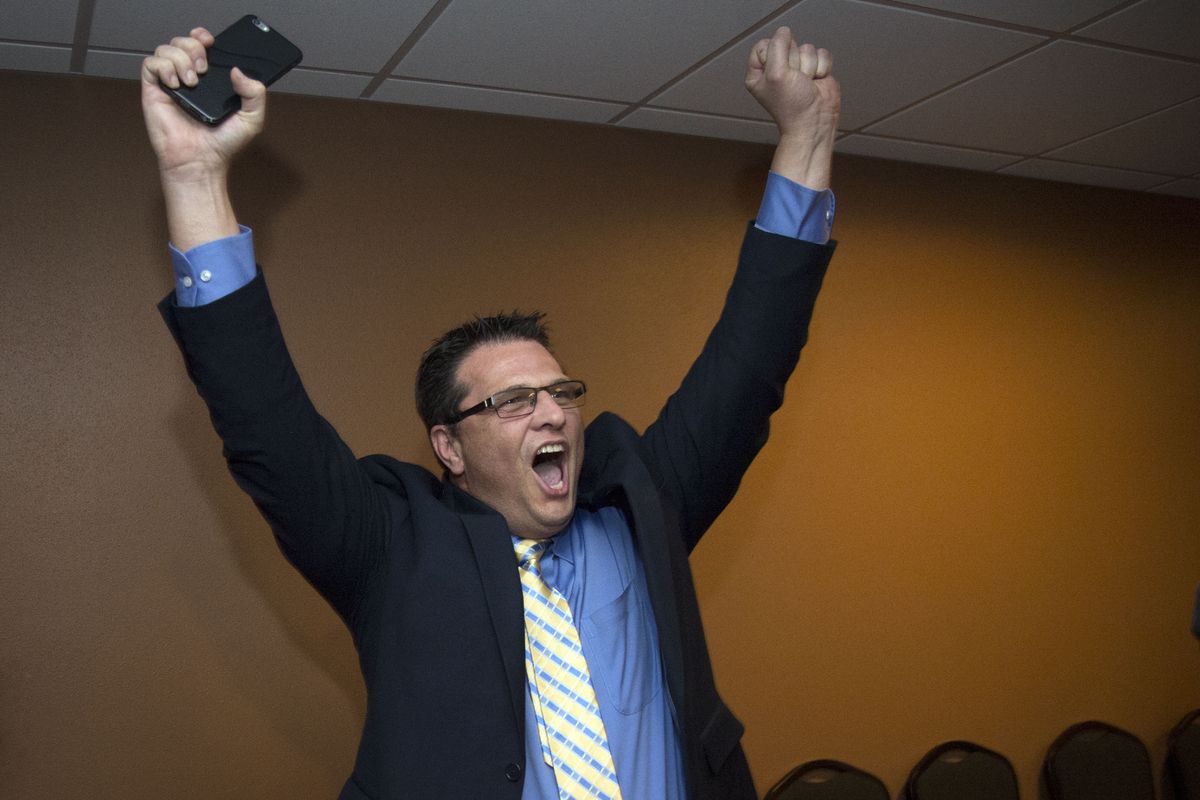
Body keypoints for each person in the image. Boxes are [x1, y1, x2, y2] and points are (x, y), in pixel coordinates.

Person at [143, 23, 839, 800]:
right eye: (512, 402)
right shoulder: (389, 549)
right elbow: (261, 418)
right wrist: (194, 178)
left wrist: (806, 137)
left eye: (561, 393)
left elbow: (751, 362)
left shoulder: (643, 506)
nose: (552, 414)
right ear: (449, 446)